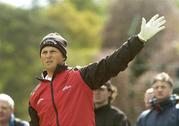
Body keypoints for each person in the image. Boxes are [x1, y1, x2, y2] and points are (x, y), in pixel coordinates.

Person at [28, 14, 166, 126]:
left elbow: (112, 63)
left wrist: (139, 39)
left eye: (53, 51)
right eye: (44, 52)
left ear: (63, 56)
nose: (48, 55)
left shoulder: (81, 76)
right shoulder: (35, 95)